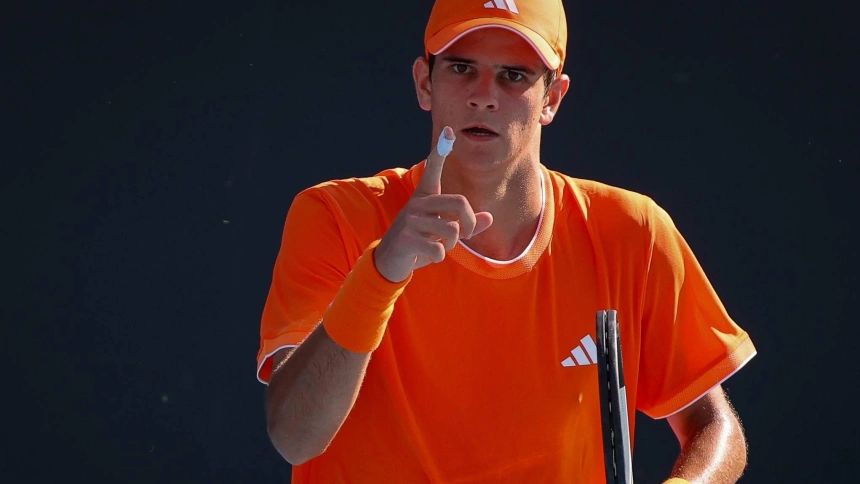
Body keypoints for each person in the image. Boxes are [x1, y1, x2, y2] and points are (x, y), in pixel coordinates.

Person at [255, 0, 757, 482]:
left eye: (513, 75)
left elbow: (715, 427)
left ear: (552, 98)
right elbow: (295, 437)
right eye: (461, 68)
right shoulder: (334, 216)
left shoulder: (633, 230)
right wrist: (382, 271)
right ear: (423, 83)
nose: (483, 94)